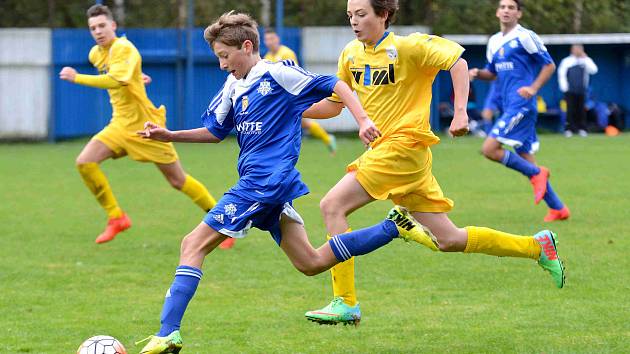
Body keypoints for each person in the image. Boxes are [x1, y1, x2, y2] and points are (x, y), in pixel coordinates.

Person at [134, 12, 433, 353]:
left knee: (192, 244)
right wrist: (169, 134)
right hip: (262, 183)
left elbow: (335, 85)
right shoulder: (234, 85)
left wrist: (362, 119)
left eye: (224, 56)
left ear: (247, 47)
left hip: (265, 182)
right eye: (218, 57)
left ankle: (168, 332)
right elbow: (217, 131)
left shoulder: (276, 73)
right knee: (311, 263)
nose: (221, 65)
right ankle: (394, 227)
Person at [302, 0, 565, 327]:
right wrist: (292, 111)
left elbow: (457, 61)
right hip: (395, 156)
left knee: (332, 206)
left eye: (361, 14)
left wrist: (459, 111)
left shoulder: (409, 46)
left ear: (383, 14)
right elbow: (333, 105)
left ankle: (346, 302)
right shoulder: (350, 55)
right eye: (350, 16)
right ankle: (536, 247)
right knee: (449, 239)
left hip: (404, 146)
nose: (354, 22)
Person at [59, 4, 218, 244]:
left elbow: (117, 80)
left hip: (147, 127)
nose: (98, 31)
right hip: (120, 125)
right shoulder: (96, 54)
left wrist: (77, 78)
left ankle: (221, 221)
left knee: (178, 180)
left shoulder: (124, 47)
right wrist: (136, 79)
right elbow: (125, 77)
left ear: (113, 25)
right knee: (85, 161)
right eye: (93, 28)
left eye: (102, 25)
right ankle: (116, 217)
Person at [469, 0, 570, 223]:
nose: (506, 10)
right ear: (497, 12)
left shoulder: (526, 36)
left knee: (489, 149)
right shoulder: (494, 41)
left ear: (519, 14)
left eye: (511, 7)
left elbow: (549, 65)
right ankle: (558, 208)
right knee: (526, 159)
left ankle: (537, 174)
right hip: (508, 105)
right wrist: (476, 73)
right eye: (503, 7)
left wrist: (533, 88)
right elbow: (492, 73)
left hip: (522, 105)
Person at [263, 28, 337, 155]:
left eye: (272, 38)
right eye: (267, 39)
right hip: (277, 97)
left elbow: (294, 74)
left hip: (289, 96)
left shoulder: (287, 53)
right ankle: (327, 138)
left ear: (277, 39)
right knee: (300, 122)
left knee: (299, 121)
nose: (269, 42)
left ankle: (326, 138)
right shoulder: (267, 57)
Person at [558, 44, 598, 137]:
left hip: (582, 89)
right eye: (576, 49)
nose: (578, 51)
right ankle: (569, 129)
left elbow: (594, 70)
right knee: (570, 109)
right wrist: (564, 88)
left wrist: (586, 58)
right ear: (572, 50)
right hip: (570, 89)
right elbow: (561, 75)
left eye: (580, 49)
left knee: (581, 110)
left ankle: (582, 129)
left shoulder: (585, 60)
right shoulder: (566, 61)